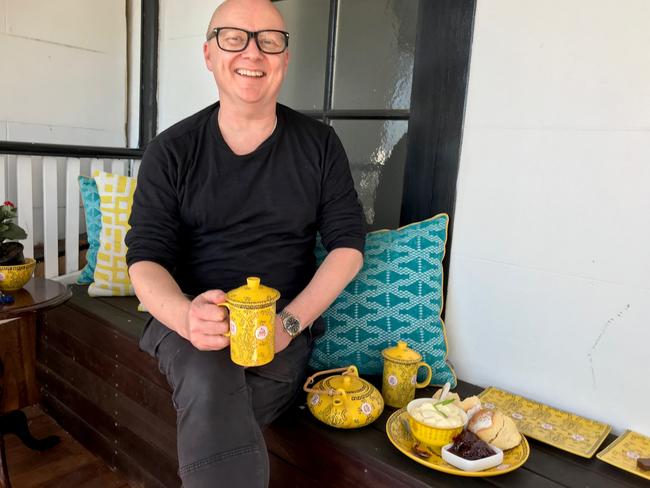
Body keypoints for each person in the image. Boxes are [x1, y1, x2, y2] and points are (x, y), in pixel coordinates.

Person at [125, 0, 365, 486]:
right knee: (209, 376)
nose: (252, 53)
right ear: (209, 53)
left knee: (215, 411)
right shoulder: (171, 149)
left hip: (279, 334)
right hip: (188, 325)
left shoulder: (319, 145)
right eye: (234, 37)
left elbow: (348, 245)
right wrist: (187, 318)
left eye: (269, 40)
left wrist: (290, 323)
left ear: (284, 57)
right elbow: (145, 258)